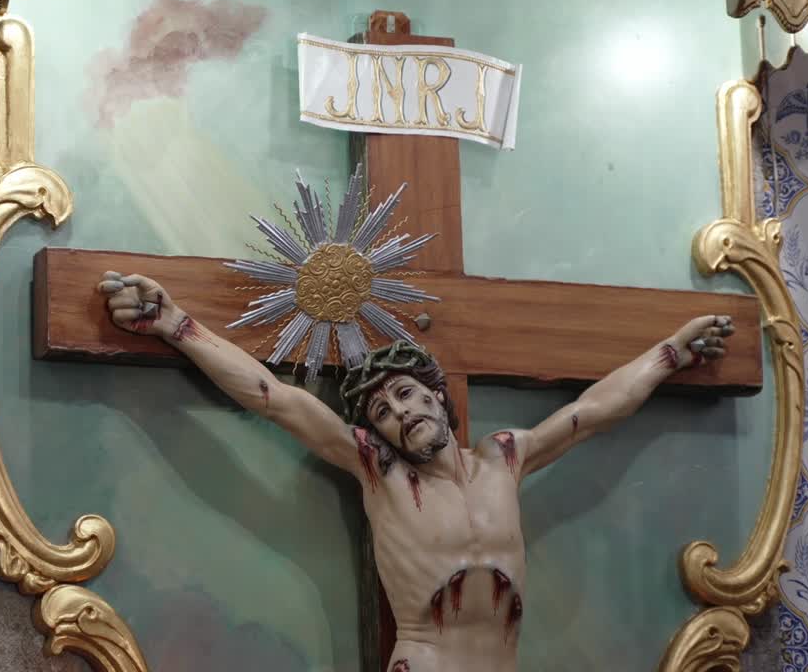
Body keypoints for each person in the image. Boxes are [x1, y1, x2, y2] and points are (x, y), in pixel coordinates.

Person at [98, 270, 733, 672]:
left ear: (436, 397)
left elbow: (591, 413)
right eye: (381, 411)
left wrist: (670, 354)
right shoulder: (382, 473)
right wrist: (177, 325)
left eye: (405, 395)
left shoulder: (505, 457)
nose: (398, 414)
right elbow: (275, 397)